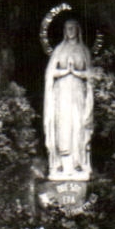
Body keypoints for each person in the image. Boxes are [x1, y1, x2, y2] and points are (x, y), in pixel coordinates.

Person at [43, 17, 94, 179]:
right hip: (62, 92)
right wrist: (65, 72)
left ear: (78, 30)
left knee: (78, 124)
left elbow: (90, 75)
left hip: (78, 92)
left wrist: (77, 73)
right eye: (67, 28)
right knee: (63, 125)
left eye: (73, 28)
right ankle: (63, 165)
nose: (70, 31)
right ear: (64, 31)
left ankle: (78, 163)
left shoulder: (83, 50)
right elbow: (50, 73)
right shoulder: (59, 49)